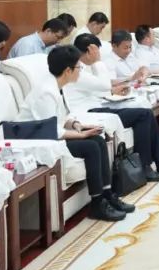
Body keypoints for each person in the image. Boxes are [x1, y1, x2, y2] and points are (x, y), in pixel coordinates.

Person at [16, 45, 133, 222]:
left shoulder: (56, 85)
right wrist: (81, 135)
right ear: (68, 71)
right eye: (79, 67)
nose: (80, 70)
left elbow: (62, 117)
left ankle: (107, 195)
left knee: (98, 140)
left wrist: (77, 125)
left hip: (50, 135)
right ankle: (97, 204)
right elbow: (51, 130)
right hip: (36, 141)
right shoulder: (46, 92)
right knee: (91, 146)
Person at [69, 33, 159, 181]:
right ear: (90, 49)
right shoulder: (76, 69)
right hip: (89, 112)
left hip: (99, 105)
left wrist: (114, 91)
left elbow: (98, 89)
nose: (99, 54)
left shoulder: (84, 66)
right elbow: (104, 84)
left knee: (145, 114)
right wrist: (98, 62)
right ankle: (147, 167)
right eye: (97, 51)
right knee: (144, 115)